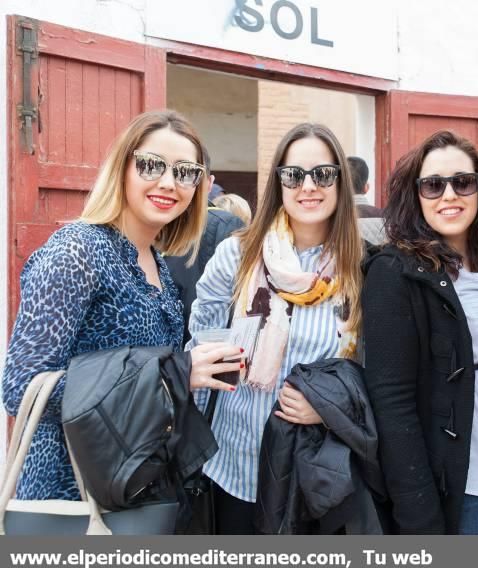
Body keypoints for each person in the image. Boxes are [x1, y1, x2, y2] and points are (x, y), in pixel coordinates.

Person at [2, 110, 243, 501]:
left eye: (185, 172)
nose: (168, 183)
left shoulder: (158, 262)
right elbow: (22, 390)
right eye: (151, 165)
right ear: (122, 169)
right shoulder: (78, 250)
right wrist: (173, 376)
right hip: (71, 494)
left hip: (136, 488)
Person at [362, 130, 478, 535]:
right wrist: (416, 506)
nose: (449, 195)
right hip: (463, 476)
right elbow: (392, 400)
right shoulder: (395, 271)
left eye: (462, 182)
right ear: (416, 195)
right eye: (433, 185)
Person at [188, 123, 363, 534]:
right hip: (235, 464)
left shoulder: (363, 269)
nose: (308, 186)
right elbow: (201, 346)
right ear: (278, 183)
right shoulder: (237, 256)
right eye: (293, 174)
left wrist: (329, 408)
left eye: (323, 174)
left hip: (314, 474)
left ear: (340, 182)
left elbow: (375, 374)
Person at [165, 169, 245, 346]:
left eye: (186, 174)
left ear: (209, 183)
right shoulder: (157, 227)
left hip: (194, 342)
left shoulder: (224, 224)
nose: (168, 184)